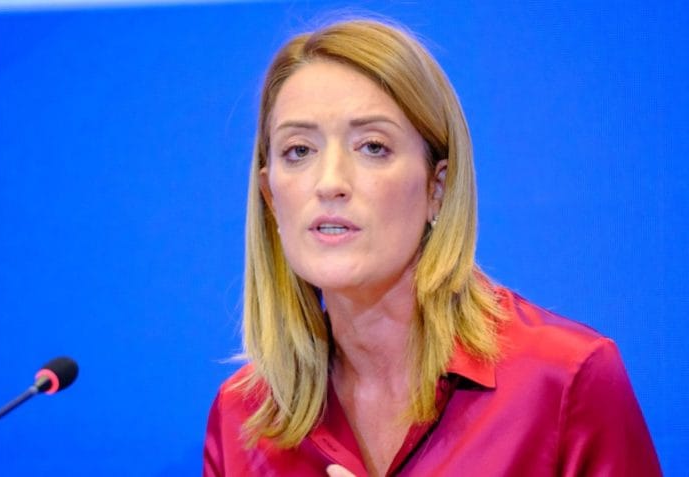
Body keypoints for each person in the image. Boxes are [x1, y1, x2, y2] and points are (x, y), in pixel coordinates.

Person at [202, 18, 661, 477]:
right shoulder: (240, 419)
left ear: (436, 187)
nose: (330, 182)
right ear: (270, 197)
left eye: (372, 146)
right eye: (299, 151)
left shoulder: (566, 380)